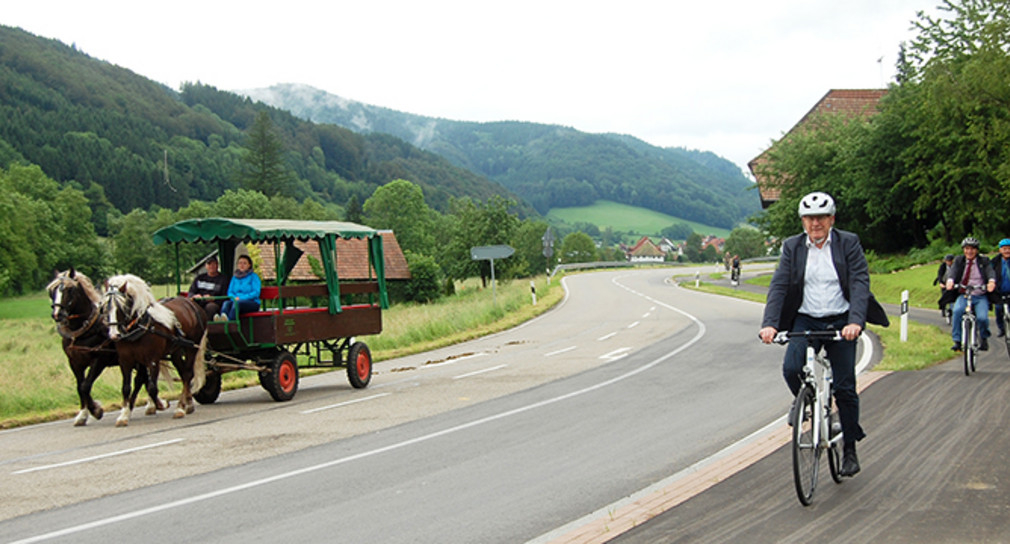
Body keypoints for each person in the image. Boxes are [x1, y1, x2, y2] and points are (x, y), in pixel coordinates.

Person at [759, 191, 889, 478]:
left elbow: (858, 282)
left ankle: (850, 448)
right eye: (809, 218)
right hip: (806, 318)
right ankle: (807, 403)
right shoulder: (793, 247)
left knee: (844, 387)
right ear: (803, 221)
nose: (815, 223)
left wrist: (855, 322)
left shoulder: (848, 243)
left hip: (840, 319)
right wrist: (769, 323)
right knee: (792, 367)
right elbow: (779, 285)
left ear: (831, 219)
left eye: (820, 217)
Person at [941, 237, 996, 351]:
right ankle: (957, 340)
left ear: (977, 250)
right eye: (967, 249)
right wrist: (950, 280)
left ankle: (984, 338)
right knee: (957, 312)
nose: (969, 251)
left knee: (982, 318)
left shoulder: (983, 261)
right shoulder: (959, 260)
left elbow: (990, 272)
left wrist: (991, 281)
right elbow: (953, 272)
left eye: (972, 249)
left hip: (980, 294)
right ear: (963, 250)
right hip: (964, 294)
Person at [220, 255, 261, 321]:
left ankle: (231, 323)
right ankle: (221, 321)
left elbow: (256, 292)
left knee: (237, 304)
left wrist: (241, 298)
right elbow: (230, 292)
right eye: (240, 263)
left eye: (244, 263)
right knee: (226, 303)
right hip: (235, 300)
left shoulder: (254, 277)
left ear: (249, 265)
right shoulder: (234, 278)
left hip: (252, 302)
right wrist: (234, 298)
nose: (242, 265)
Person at [991, 239, 1010, 337]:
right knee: (998, 309)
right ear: (1000, 250)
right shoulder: (994, 261)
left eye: (1009, 249)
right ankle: (1001, 328)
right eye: (1004, 249)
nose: (1007, 251)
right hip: (999, 291)